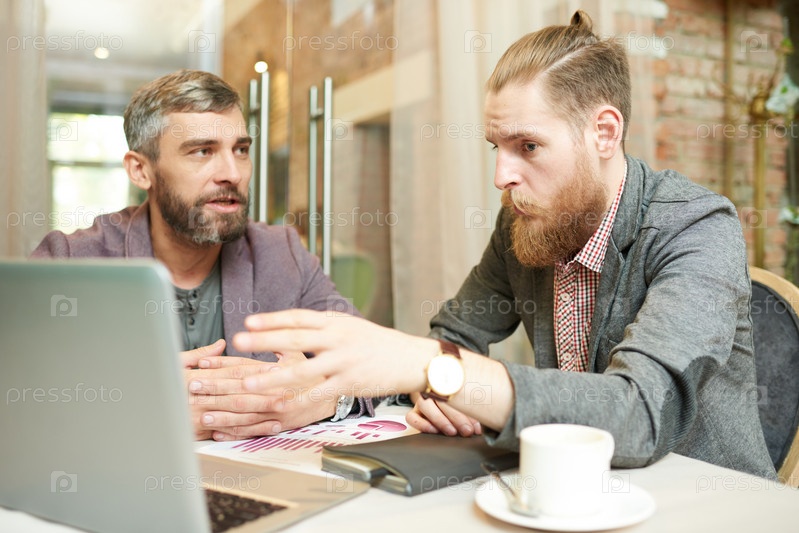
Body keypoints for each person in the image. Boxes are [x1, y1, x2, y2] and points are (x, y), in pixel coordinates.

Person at [218, 11, 776, 479]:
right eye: (496, 147)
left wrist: (434, 370)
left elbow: (640, 414)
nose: (501, 176)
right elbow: (456, 337)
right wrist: (438, 392)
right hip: (577, 494)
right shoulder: (524, 223)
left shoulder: (698, 226)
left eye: (528, 146)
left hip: (707, 503)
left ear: (604, 132)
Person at [31, 69, 374, 440]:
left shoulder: (282, 253)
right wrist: (136, 403)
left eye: (240, 150)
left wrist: (324, 398)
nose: (232, 173)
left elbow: (373, 363)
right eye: (202, 151)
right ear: (141, 170)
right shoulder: (71, 262)